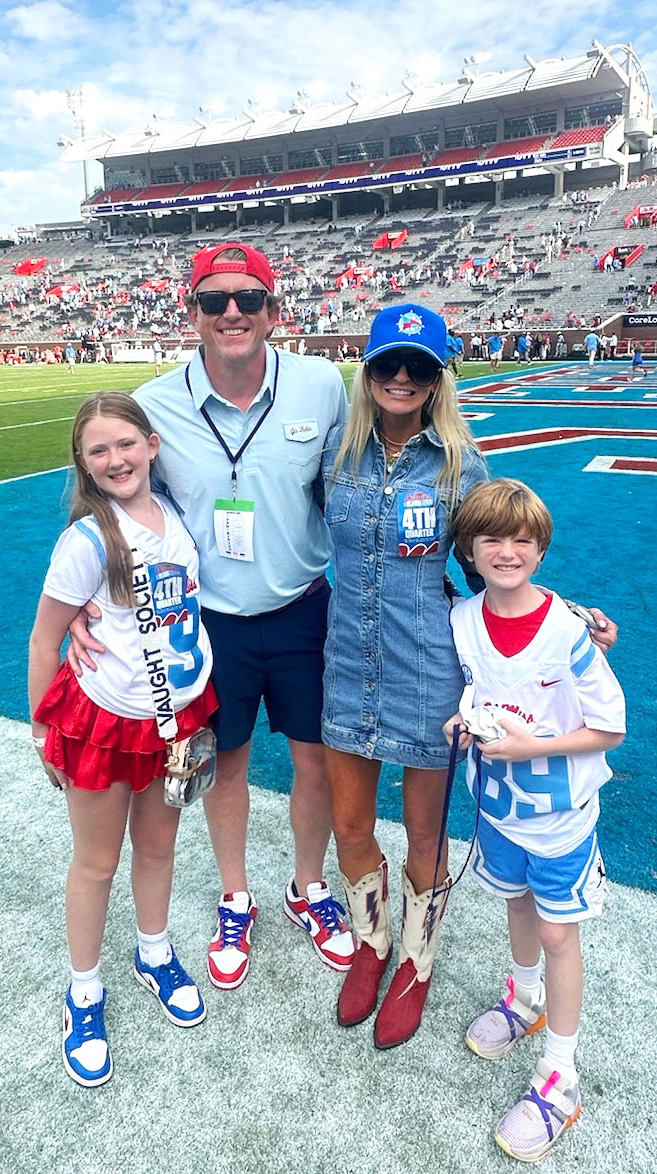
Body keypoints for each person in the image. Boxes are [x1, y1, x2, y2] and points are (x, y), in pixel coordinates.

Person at [68, 244, 355, 992]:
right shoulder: (155, 402)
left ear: (275, 310)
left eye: (249, 298)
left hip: (302, 606)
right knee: (221, 764)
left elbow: (349, 487)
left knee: (313, 760)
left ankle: (306, 887)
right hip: (207, 621)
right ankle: (236, 895)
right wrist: (79, 605)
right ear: (189, 313)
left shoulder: (323, 383)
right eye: (215, 299)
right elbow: (114, 499)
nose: (233, 311)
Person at [28, 393, 217, 1088]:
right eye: (98, 450)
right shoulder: (85, 538)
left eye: (125, 444)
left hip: (175, 718)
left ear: (152, 444)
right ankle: (83, 991)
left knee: (160, 846)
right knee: (97, 862)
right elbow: (46, 636)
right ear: (82, 463)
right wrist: (44, 729)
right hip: (106, 719)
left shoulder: (175, 516)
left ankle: (153, 950)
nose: (115, 459)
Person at [322, 305, 489, 1049]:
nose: (400, 378)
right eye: (387, 363)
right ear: (367, 371)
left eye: (417, 367)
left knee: (424, 831)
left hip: (427, 669)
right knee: (351, 824)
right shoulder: (335, 453)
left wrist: (560, 617)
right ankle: (372, 941)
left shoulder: (460, 465)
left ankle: (417, 960)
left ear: (436, 377)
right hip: (345, 662)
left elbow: (494, 565)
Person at [444, 479, 625, 1163]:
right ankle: (522, 1001)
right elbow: (480, 689)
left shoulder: (566, 632)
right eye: (491, 538)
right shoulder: (463, 619)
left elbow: (609, 728)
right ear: (469, 547)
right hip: (495, 805)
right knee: (516, 905)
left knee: (556, 930)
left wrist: (529, 748)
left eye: (521, 540)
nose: (507, 550)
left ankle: (560, 1077)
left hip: (558, 814)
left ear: (540, 549)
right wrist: (464, 721)